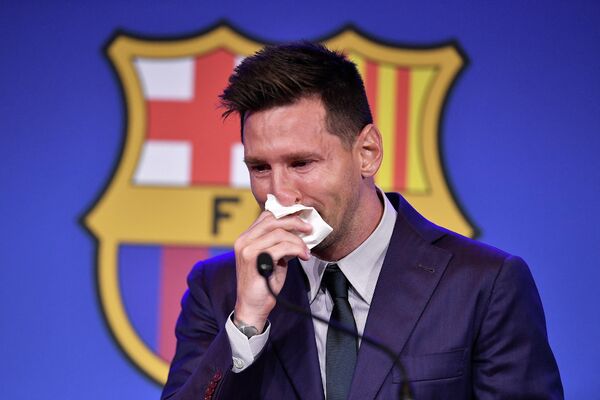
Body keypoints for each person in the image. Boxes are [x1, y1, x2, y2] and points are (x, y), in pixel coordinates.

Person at [161, 42, 563, 400]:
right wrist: (247, 325)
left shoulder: (483, 283)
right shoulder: (218, 289)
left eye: (301, 163)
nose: (278, 193)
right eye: (260, 167)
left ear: (367, 152)